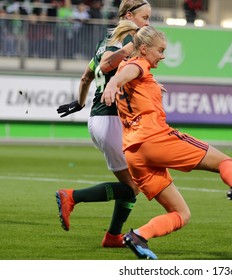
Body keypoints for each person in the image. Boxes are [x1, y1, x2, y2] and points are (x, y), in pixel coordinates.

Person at [101, 25, 232, 259]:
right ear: (145, 49)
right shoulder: (138, 65)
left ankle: (138, 236)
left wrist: (146, 86)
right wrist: (112, 83)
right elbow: (123, 75)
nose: (163, 55)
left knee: (180, 213)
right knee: (226, 161)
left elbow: (127, 76)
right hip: (155, 139)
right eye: (160, 50)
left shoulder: (136, 70)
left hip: (134, 153)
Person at [55, 0, 152, 248]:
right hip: (110, 120)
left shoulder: (103, 42)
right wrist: (130, 49)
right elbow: (108, 63)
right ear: (129, 16)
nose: (147, 23)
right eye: (145, 17)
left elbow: (87, 75)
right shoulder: (127, 39)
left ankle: (113, 236)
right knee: (133, 188)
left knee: (132, 185)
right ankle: (72, 197)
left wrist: (80, 102)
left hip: (101, 119)